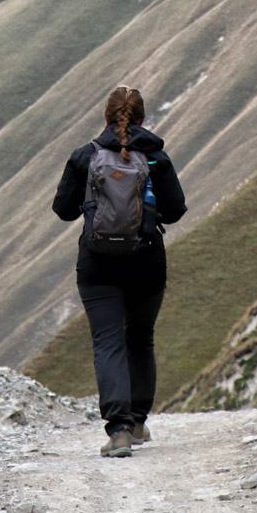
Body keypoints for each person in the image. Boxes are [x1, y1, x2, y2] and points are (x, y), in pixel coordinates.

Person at [50, 84, 186, 457]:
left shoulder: (85, 156)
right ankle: (139, 420)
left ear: (106, 118)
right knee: (140, 338)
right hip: (147, 262)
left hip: (97, 264)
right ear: (142, 120)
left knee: (108, 342)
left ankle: (119, 431)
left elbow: (63, 209)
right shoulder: (156, 158)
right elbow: (175, 211)